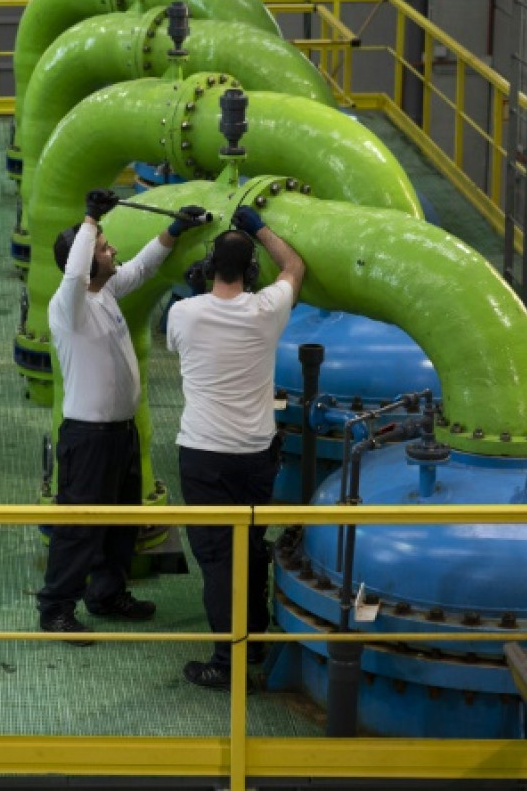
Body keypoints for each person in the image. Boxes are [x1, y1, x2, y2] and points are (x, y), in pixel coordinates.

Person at [38, 188, 207, 643]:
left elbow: (144, 266)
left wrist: (174, 230)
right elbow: (75, 273)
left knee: (120, 521)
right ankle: (55, 608)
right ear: (86, 259)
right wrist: (90, 218)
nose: (113, 250)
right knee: (78, 528)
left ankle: (107, 594)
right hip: (88, 438)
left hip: (119, 434)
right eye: (103, 247)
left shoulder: (106, 291)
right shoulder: (67, 305)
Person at [166, 204, 306, 689]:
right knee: (249, 547)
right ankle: (258, 640)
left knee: (218, 561)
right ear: (251, 272)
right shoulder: (268, 310)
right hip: (255, 453)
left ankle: (227, 664)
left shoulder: (183, 313)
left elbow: (177, 339)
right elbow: (295, 267)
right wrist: (260, 227)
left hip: (204, 454)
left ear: (207, 271)